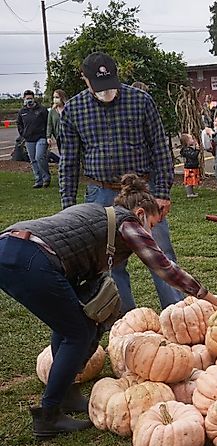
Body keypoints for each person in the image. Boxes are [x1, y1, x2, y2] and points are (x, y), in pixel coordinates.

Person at [0, 174, 217, 438]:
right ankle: (48, 416)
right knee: (77, 332)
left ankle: (65, 392)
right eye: (152, 224)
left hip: (13, 248)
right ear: (140, 213)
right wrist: (213, 299)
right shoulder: (128, 223)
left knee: (69, 324)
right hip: (30, 259)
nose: (151, 233)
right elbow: (165, 267)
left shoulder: (99, 215)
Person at [60, 52, 183, 314]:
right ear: (85, 80)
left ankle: (177, 314)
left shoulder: (141, 101)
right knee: (109, 263)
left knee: (160, 254)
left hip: (143, 191)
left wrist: (161, 193)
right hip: (100, 194)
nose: (107, 92)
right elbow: (68, 162)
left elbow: (160, 148)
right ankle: (126, 321)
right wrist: (68, 207)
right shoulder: (73, 109)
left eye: (111, 84)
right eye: (100, 86)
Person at [17, 89, 50, 188]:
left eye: (30, 98)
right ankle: (38, 180)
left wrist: (47, 135)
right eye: (27, 99)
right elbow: (19, 124)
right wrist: (23, 133)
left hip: (41, 137)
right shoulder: (22, 112)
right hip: (29, 139)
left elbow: (48, 122)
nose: (29, 100)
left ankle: (46, 178)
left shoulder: (42, 110)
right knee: (33, 160)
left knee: (39, 157)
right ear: (24, 99)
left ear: (34, 98)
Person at [46, 89, 67, 157]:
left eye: (57, 97)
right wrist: (48, 136)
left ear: (62, 98)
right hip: (59, 136)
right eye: (54, 97)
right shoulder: (52, 112)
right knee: (62, 154)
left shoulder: (68, 109)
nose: (55, 99)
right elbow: (49, 124)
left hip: (69, 135)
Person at [179, 133, 201, 198]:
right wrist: (197, 149)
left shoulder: (189, 149)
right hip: (189, 168)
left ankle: (192, 192)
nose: (193, 140)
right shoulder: (186, 150)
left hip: (193, 166)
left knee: (191, 180)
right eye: (191, 139)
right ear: (187, 141)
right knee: (189, 181)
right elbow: (193, 156)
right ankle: (189, 193)